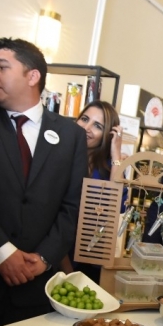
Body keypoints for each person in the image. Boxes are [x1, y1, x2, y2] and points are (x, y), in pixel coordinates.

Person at [0, 38, 87, 326]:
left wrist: (44, 258)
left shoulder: (71, 135)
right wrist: (2, 252)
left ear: (32, 76)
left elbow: (73, 206)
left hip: (38, 290)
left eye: (2, 67)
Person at [60, 100, 126, 281]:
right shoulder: (58, 155)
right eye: (84, 119)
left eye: (97, 125)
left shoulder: (106, 170)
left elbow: (117, 206)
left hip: (88, 255)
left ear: (107, 135)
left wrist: (116, 155)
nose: (86, 128)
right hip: (54, 250)